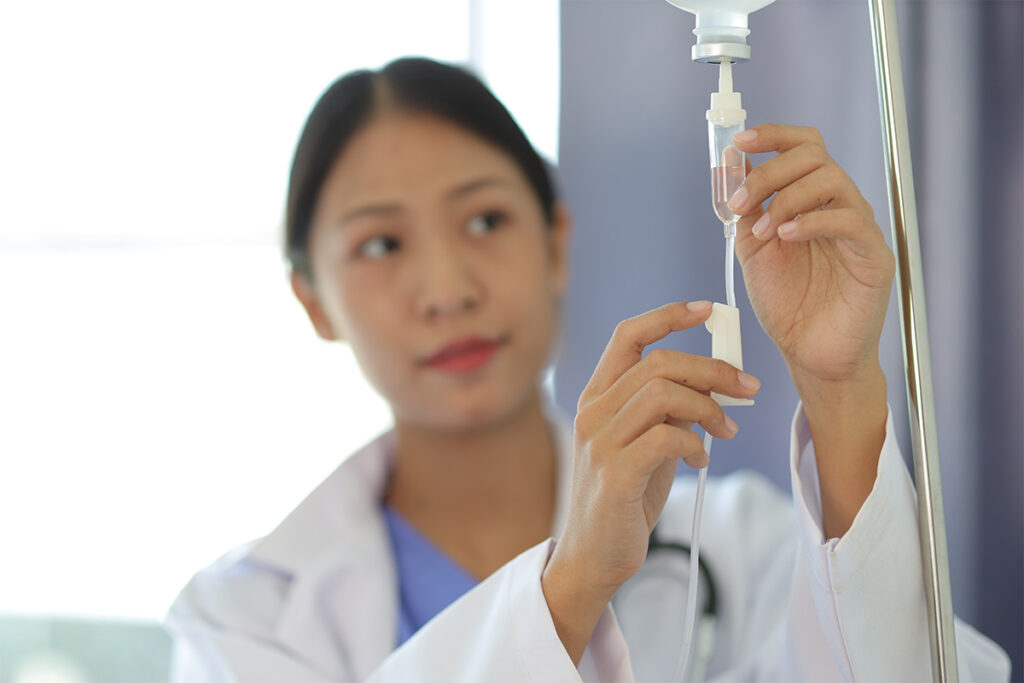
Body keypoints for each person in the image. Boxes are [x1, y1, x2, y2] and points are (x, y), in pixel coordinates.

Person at [166, 57, 1010, 681]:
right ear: (313, 302)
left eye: (485, 221)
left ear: (556, 245)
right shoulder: (241, 619)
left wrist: (840, 387)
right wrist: (571, 587)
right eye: (381, 244)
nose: (448, 289)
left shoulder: (747, 548)